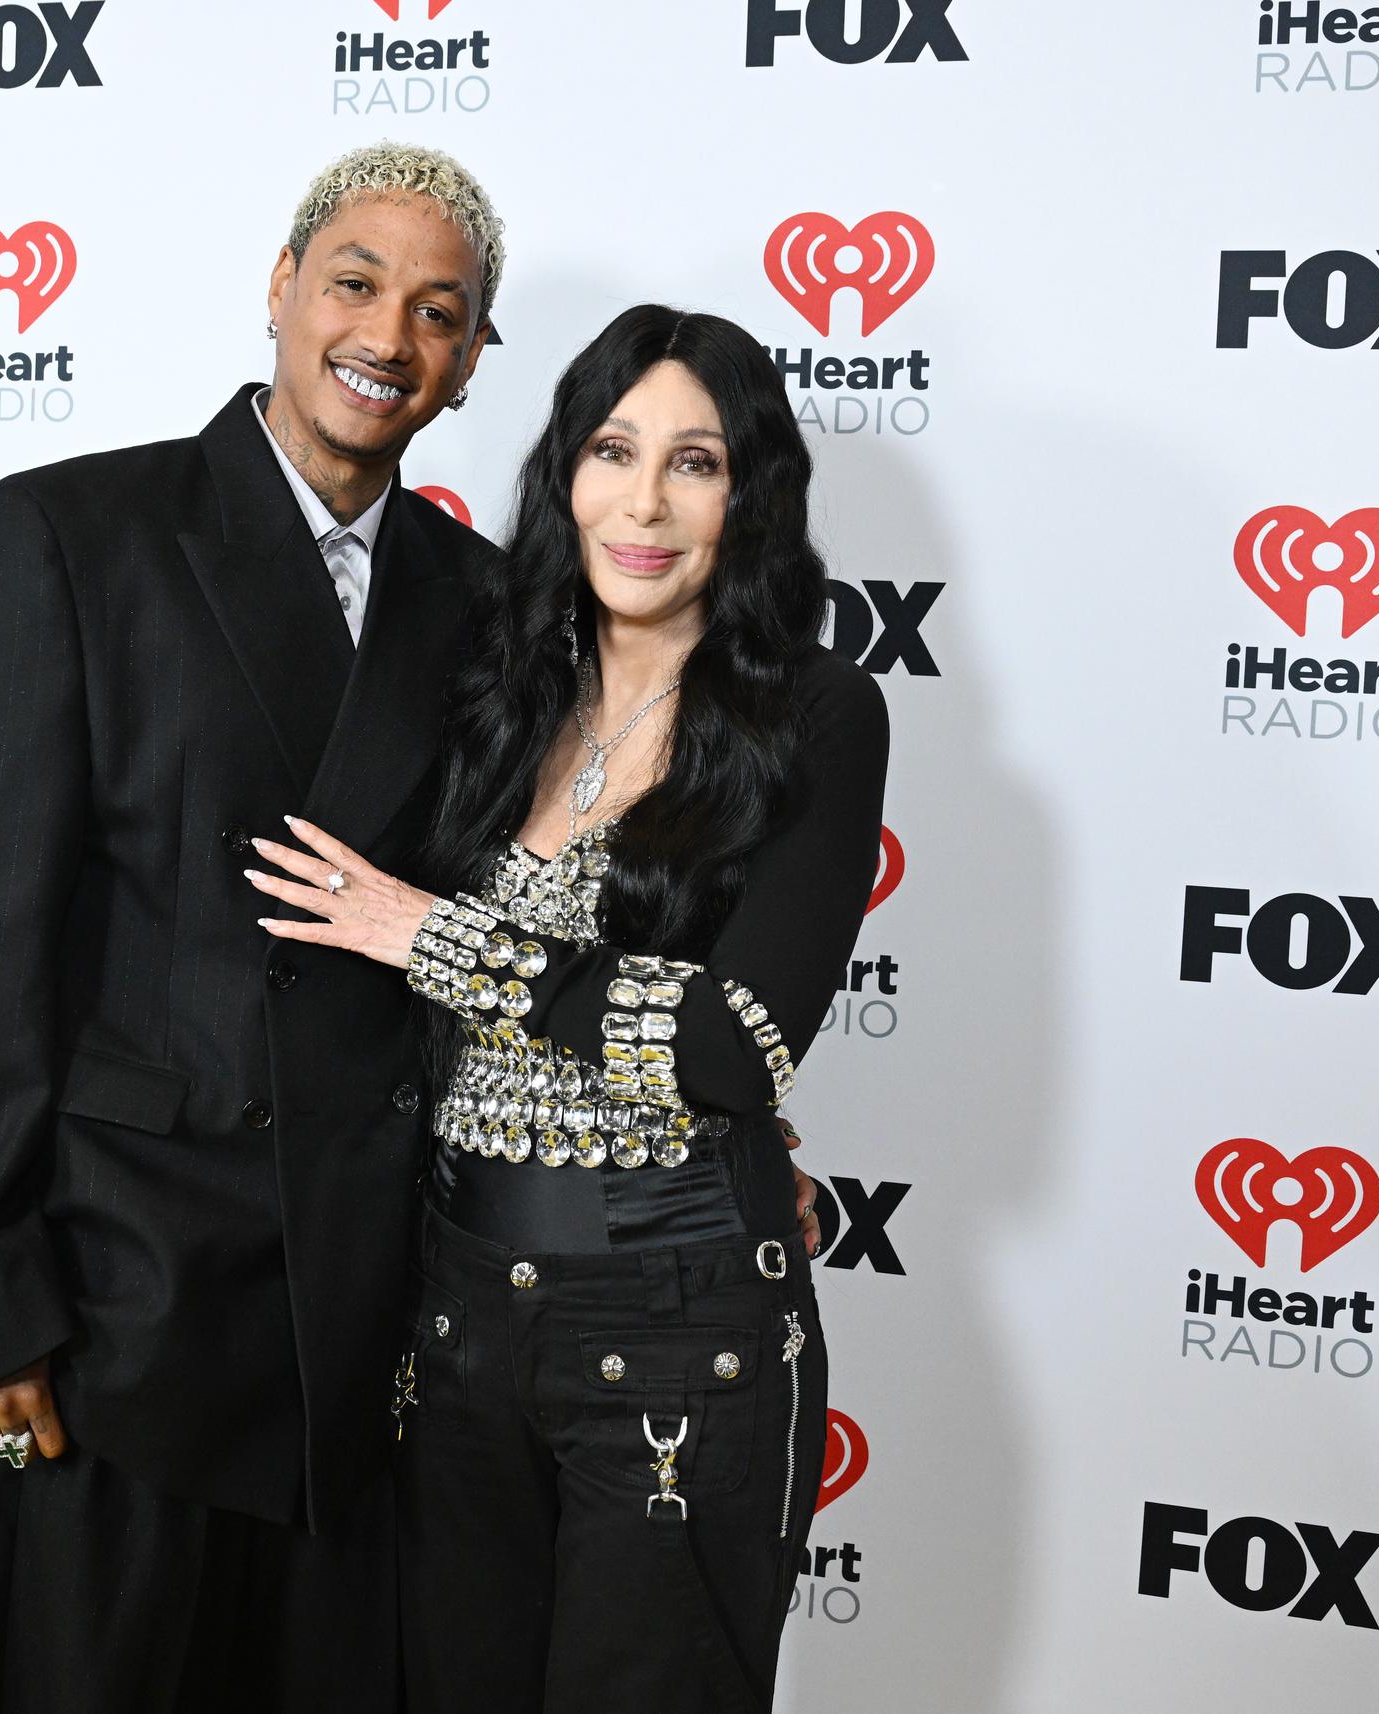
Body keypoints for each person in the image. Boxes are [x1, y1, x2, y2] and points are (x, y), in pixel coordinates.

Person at [0, 144, 502, 1711]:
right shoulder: (71, 535)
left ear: (471, 361)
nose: (388, 333)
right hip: (124, 1311)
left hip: (372, 1332)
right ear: (283, 288)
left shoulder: (488, 602)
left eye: (442, 310)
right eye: (357, 281)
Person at [245, 304, 889, 1712]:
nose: (644, 501)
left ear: (752, 494)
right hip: (453, 1323)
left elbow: (733, 1044)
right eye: (613, 448)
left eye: (696, 461)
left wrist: (440, 937)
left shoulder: (817, 717)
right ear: (565, 472)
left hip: (681, 1332)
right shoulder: (490, 692)